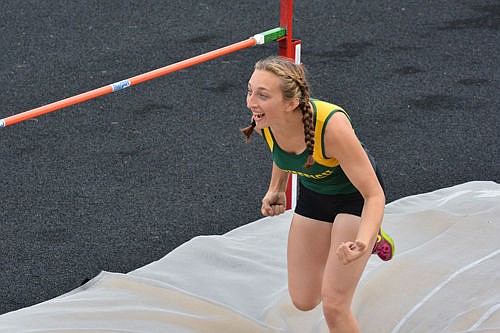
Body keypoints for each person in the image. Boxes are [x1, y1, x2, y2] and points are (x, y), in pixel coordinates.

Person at [241, 56, 394, 332]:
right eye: (250, 90)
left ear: (291, 103)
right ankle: (362, 238)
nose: (252, 101)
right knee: (303, 299)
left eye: (262, 95)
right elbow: (283, 154)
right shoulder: (264, 121)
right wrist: (276, 189)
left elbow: (374, 195)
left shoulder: (331, 126)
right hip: (315, 195)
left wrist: (361, 240)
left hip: (354, 199)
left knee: (334, 304)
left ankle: (373, 237)